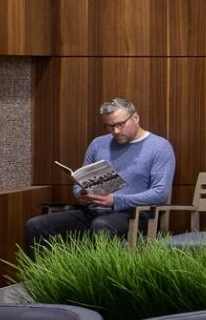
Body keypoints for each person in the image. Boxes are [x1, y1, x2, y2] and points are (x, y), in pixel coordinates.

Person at [24, 97, 176, 251]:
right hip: (93, 211)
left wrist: (115, 200)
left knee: (102, 226)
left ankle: (101, 275)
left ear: (135, 117)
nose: (115, 131)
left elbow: (160, 193)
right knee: (36, 225)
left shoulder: (159, 147)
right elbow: (79, 183)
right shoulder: (98, 144)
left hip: (135, 215)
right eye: (109, 126)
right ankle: (45, 275)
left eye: (120, 124)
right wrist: (80, 195)